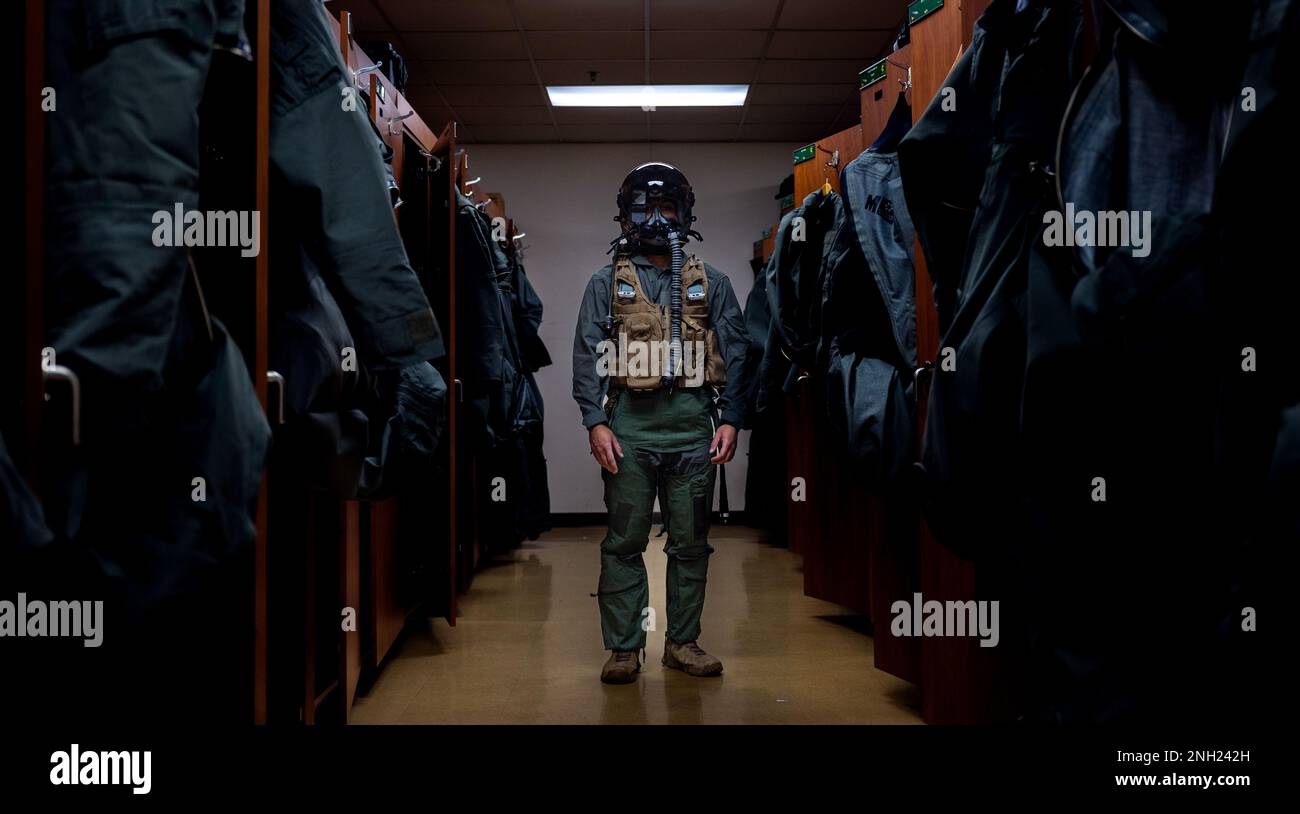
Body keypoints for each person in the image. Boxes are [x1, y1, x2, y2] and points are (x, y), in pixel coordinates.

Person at [572, 162, 751, 684]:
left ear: (685, 214)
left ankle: (682, 643)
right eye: (642, 208)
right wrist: (593, 421)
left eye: (666, 208)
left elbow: (739, 354)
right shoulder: (605, 284)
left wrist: (733, 419)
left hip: (693, 429)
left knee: (691, 544)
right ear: (624, 216)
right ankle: (625, 649)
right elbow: (587, 356)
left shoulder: (710, 283)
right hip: (628, 431)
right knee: (624, 543)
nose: (654, 218)